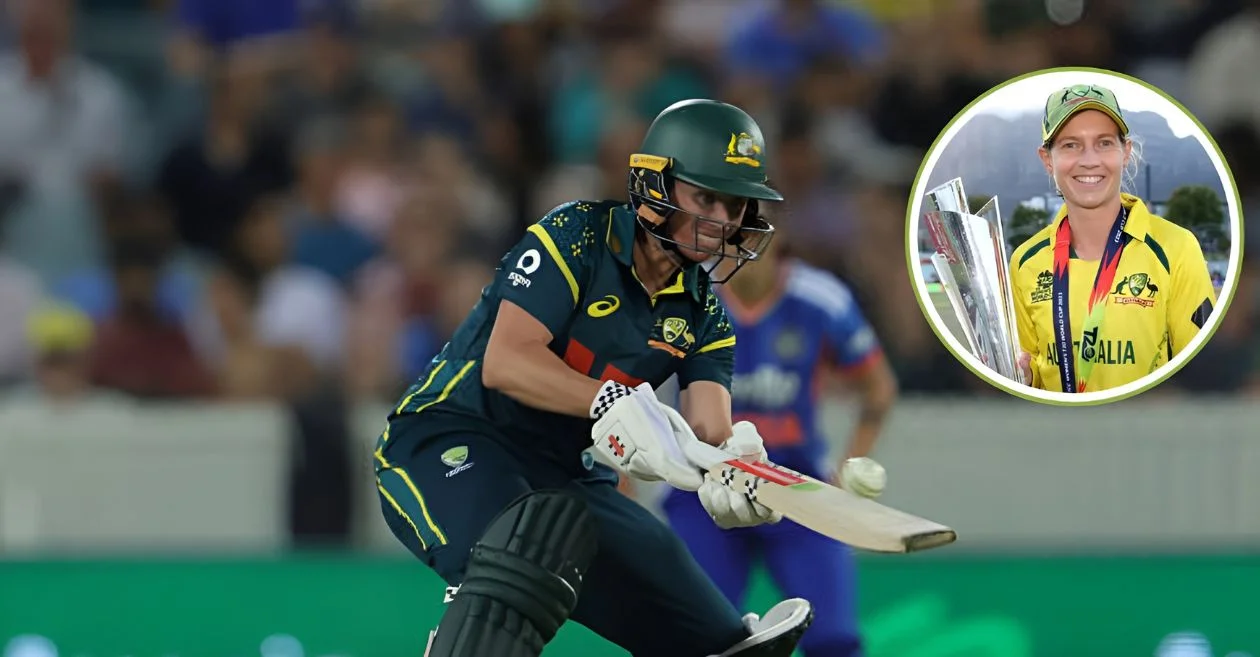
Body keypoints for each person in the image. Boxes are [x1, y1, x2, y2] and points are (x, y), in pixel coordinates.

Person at [373, 99, 815, 657]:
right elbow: (506, 362)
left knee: (718, 641)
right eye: (707, 197)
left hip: (565, 475)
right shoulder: (578, 235)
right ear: (656, 185)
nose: (723, 223)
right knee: (524, 553)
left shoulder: (705, 316)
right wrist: (610, 400)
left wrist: (737, 466)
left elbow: (709, 427)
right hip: (449, 439)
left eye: (736, 205)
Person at [661, 219, 899, 657]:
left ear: (780, 241)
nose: (745, 257)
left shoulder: (821, 300)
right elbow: (622, 375)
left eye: (756, 242)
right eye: (733, 242)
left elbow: (878, 388)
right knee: (690, 640)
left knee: (835, 641)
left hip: (799, 494)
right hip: (702, 493)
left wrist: (848, 471)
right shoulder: (685, 296)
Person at [1010, 83, 1218, 393]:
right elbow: (1034, 369)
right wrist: (1024, 379)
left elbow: (1203, 374)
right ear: (1047, 159)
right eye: (1070, 145)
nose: (1089, 160)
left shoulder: (1176, 247)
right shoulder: (1026, 261)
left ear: (1126, 152)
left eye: (1104, 143)